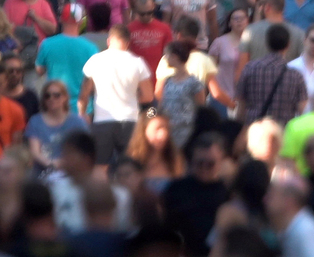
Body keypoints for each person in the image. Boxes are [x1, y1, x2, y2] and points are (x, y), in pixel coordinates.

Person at [79, 24, 154, 171]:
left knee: (100, 168)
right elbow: (148, 96)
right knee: (131, 167)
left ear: (109, 41)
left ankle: (101, 194)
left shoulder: (95, 60)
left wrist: (83, 113)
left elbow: (84, 94)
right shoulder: (138, 62)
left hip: (102, 120)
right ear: (128, 43)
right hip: (130, 121)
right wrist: (131, 97)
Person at [162, 133, 230, 257]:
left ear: (220, 162)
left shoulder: (227, 193)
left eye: (210, 164)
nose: (204, 168)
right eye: (199, 163)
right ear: (192, 160)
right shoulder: (176, 189)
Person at [50, 131, 132, 233]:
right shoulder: (55, 192)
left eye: (69, 153)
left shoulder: (119, 195)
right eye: (63, 154)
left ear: (86, 158)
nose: (64, 159)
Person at [236, 24, 308, 124]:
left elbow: (241, 107)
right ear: (288, 45)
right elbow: (302, 111)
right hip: (283, 132)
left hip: (255, 130)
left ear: (267, 43)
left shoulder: (250, 69)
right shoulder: (295, 76)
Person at [24, 79, 88, 175]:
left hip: (72, 173)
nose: (51, 99)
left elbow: (85, 149)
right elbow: (35, 152)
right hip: (43, 174)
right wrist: (51, 164)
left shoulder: (78, 122)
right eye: (47, 96)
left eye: (56, 95)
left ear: (65, 97)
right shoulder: (35, 121)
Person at [265, 173, 314, 257]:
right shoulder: (291, 228)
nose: (264, 199)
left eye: (271, 196)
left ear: (289, 201)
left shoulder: (305, 230)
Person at [159, 40, 206, 148]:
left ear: (174, 57)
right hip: (168, 133)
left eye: (167, 55)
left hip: (186, 134)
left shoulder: (194, 83)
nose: (165, 58)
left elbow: (201, 109)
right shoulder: (168, 81)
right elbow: (161, 106)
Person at [239, 0, 306, 64]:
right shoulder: (299, 33)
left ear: (267, 7)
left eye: (261, 4)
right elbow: (304, 62)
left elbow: (242, 64)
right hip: (287, 75)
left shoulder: (250, 31)